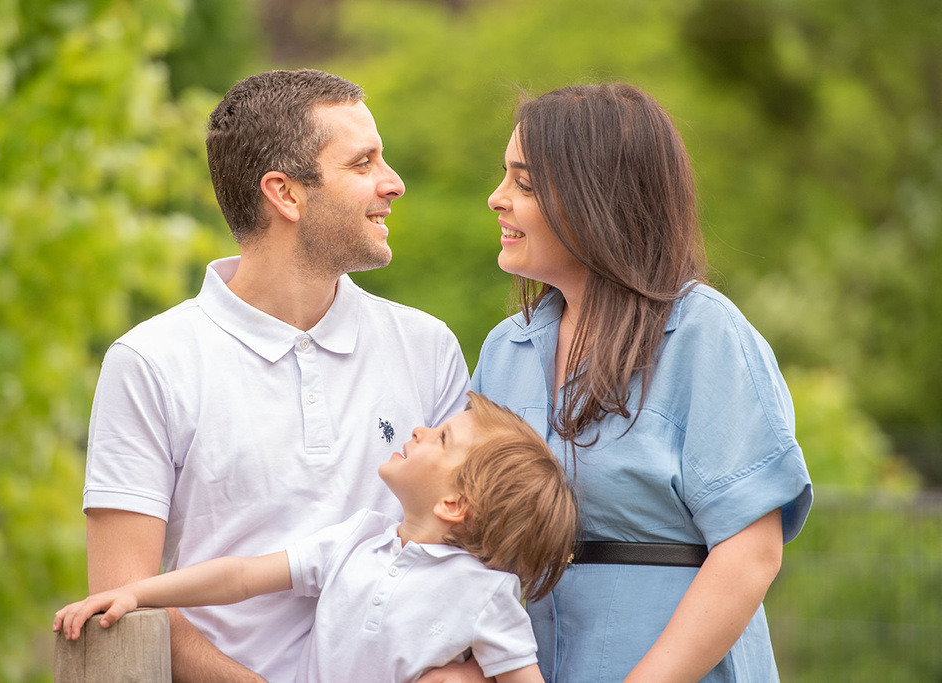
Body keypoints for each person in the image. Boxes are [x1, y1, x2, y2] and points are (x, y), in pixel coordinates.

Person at [82, 69, 470, 682]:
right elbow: (123, 593)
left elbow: (465, 557)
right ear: (284, 194)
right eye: (363, 162)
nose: (392, 184)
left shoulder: (429, 347)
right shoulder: (151, 362)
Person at [471, 82, 814, 681]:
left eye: (524, 183)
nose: (497, 199)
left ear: (595, 198)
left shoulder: (702, 333)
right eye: (506, 177)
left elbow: (751, 553)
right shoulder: (506, 350)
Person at [58, 393, 578, 683]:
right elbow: (241, 577)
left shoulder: (487, 593)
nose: (418, 430)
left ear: (453, 504)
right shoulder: (357, 541)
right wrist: (137, 592)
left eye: (441, 438)